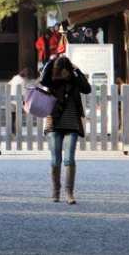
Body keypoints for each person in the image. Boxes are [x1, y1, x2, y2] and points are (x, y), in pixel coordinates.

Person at [39, 55, 91, 204]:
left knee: (69, 159)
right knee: (55, 160)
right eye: (59, 71)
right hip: (54, 124)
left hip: (72, 124)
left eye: (65, 71)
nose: (63, 74)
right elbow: (43, 80)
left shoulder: (75, 81)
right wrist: (51, 62)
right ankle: (55, 192)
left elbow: (87, 89)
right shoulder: (52, 81)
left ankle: (69, 193)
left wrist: (77, 70)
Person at [7, 66, 40, 134]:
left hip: (11, 99)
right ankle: (16, 131)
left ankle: (12, 131)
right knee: (18, 118)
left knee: (13, 117)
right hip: (19, 101)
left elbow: (9, 84)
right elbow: (26, 91)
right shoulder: (23, 81)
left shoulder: (16, 77)